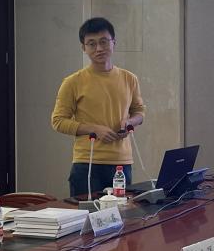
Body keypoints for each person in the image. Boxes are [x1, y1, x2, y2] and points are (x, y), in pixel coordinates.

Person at [51, 17, 145, 198]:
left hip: (122, 163)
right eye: (92, 44)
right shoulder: (73, 82)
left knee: (122, 214)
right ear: (83, 48)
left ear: (114, 42)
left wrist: (130, 122)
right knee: (88, 215)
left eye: (104, 42)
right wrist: (94, 129)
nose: (99, 48)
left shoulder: (129, 78)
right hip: (87, 163)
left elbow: (139, 112)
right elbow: (58, 121)